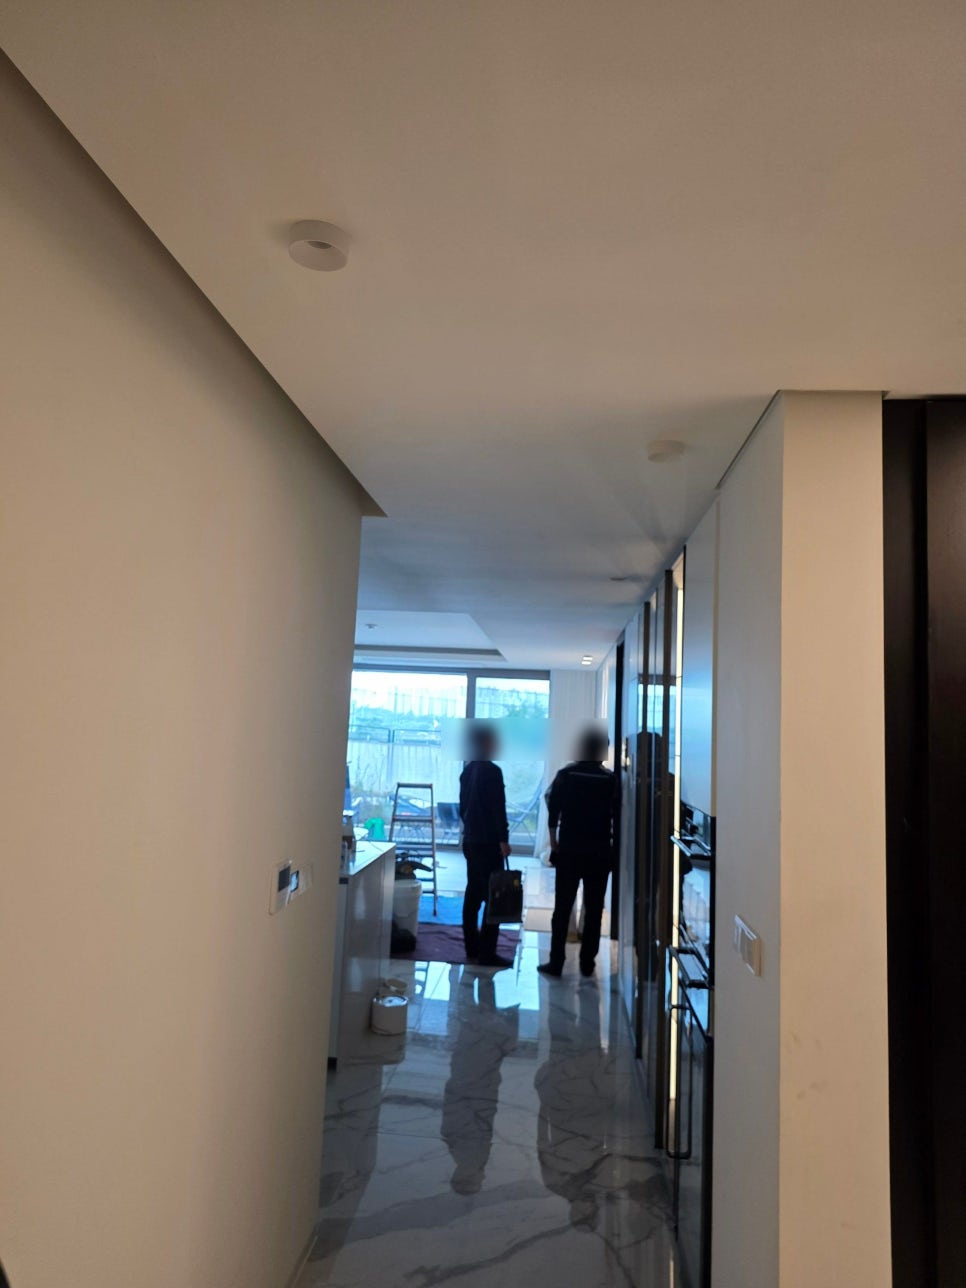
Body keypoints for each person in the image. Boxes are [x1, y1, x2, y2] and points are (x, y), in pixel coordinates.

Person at [538, 727, 617, 978]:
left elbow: (553, 809)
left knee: (562, 908)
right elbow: (617, 816)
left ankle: (556, 962)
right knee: (594, 909)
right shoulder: (610, 780)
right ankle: (587, 962)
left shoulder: (566, 775)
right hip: (599, 851)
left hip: (570, 850)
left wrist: (554, 842)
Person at [459, 722, 514, 968]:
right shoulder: (492, 772)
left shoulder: (468, 770)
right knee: (494, 896)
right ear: (485, 743)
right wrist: (503, 839)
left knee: (473, 894)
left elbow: (463, 807)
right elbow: (497, 809)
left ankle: (471, 947)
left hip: (471, 840)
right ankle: (487, 952)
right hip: (488, 842)